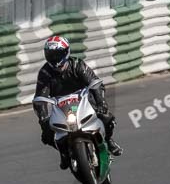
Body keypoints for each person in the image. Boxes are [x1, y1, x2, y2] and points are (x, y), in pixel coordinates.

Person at [33, 35, 123, 169]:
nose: (54, 59)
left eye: (57, 55)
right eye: (51, 55)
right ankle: (64, 153)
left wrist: (101, 102)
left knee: (107, 117)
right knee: (46, 134)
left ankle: (108, 140)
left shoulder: (77, 64)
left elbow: (95, 82)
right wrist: (43, 118)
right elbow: (40, 97)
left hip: (84, 100)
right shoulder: (45, 73)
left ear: (66, 53)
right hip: (61, 106)